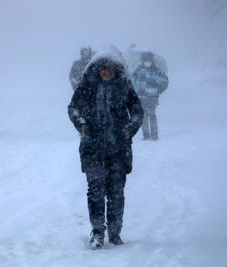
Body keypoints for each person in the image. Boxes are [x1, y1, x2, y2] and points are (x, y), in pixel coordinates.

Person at [68, 46, 143, 250]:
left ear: (116, 69)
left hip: (118, 150)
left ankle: (115, 233)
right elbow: (73, 107)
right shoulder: (87, 86)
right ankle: (98, 232)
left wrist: (128, 129)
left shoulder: (125, 87)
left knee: (116, 192)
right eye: (103, 68)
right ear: (98, 68)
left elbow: (137, 112)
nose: (106, 71)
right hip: (92, 148)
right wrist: (82, 124)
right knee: (95, 191)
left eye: (110, 68)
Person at [132, 52, 168, 140]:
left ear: (152, 60)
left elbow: (165, 82)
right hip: (141, 96)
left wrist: (158, 87)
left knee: (151, 114)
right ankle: (146, 135)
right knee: (143, 116)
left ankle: (154, 135)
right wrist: (136, 87)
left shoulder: (157, 70)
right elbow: (133, 80)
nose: (147, 62)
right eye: (145, 60)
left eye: (149, 60)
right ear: (143, 60)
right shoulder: (139, 69)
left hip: (152, 96)